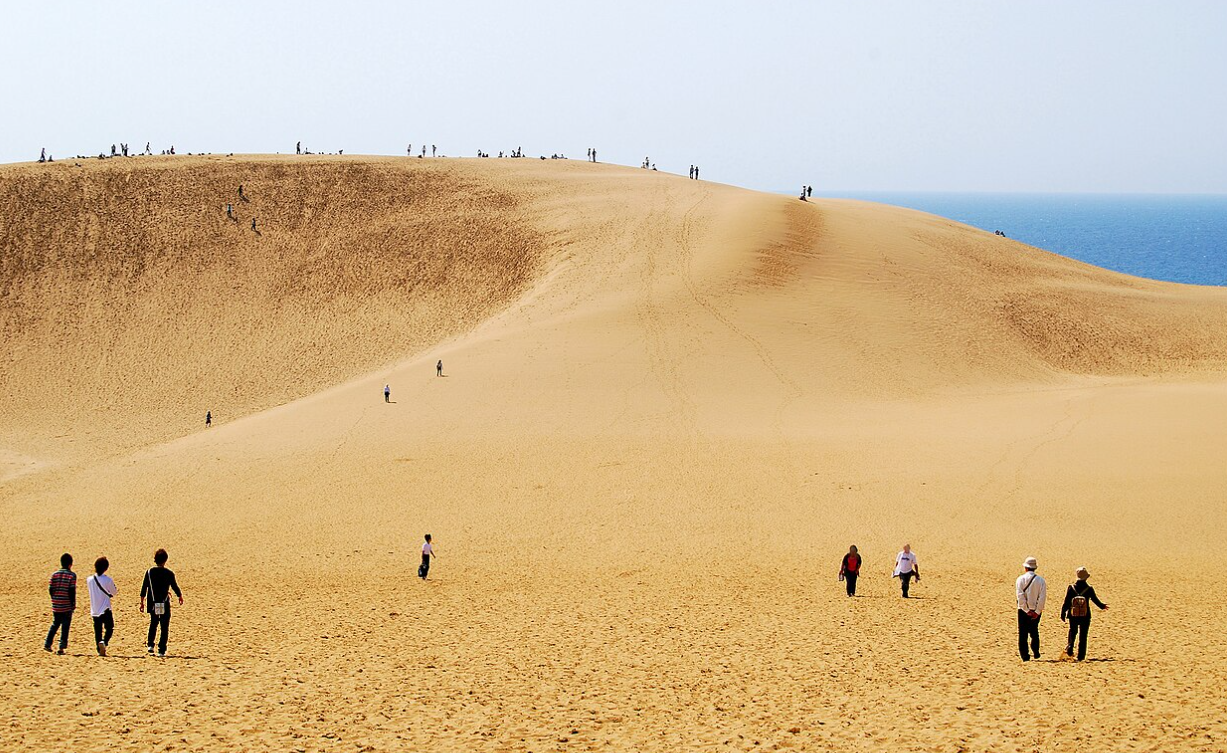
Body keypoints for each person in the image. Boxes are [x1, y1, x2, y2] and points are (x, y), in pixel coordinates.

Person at [140, 548, 183, 657]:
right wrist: (179, 596)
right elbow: (174, 586)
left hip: (153, 602)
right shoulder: (169, 573)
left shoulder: (149, 572)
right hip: (164, 602)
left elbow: (144, 588)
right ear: (165, 560)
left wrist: (142, 602)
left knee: (153, 623)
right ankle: (161, 650)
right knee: (164, 626)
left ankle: (150, 645)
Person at [1061, 566, 1108, 661]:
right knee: (1083, 635)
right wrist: (1103, 606)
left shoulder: (1071, 588)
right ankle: (1081, 656)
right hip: (1085, 615)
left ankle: (1070, 646)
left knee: (1072, 631)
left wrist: (1063, 613)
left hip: (1073, 615)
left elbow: (1066, 602)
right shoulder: (1089, 589)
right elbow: (1095, 600)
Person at [1016, 556, 1047, 662]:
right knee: (1034, 632)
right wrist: (1037, 611)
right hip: (1035, 610)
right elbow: (1042, 598)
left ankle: (1025, 656)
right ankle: (1036, 651)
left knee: (1023, 634)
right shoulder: (1041, 581)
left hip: (1022, 611)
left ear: (1026, 568)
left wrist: (1026, 610)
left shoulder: (1020, 579)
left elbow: (1020, 596)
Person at [45, 553, 77, 654]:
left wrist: (54, 599)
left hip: (56, 604)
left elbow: (50, 589)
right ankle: (61, 647)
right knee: (65, 626)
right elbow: (72, 591)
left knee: (55, 624)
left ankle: (47, 644)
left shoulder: (54, 575)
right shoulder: (72, 575)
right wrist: (73, 603)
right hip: (66, 605)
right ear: (70, 564)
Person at [87, 557, 117, 656]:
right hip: (105, 608)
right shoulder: (107, 580)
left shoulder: (89, 580)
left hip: (94, 609)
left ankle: (99, 649)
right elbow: (114, 592)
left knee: (97, 630)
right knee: (110, 627)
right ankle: (104, 642)